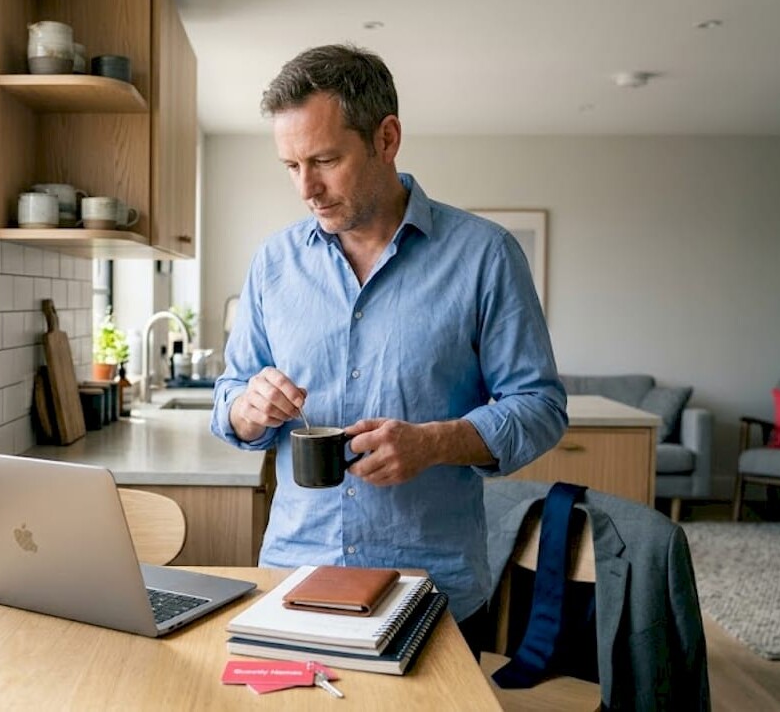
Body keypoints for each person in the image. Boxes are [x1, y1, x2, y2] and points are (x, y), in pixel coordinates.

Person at [210, 44, 567, 657]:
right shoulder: (274, 263)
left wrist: (436, 443)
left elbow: (539, 407)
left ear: (387, 137)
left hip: (432, 592)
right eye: (290, 165)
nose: (307, 188)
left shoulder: (485, 256)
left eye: (324, 159)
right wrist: (248, 405)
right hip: (294, 579)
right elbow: (229, 401)